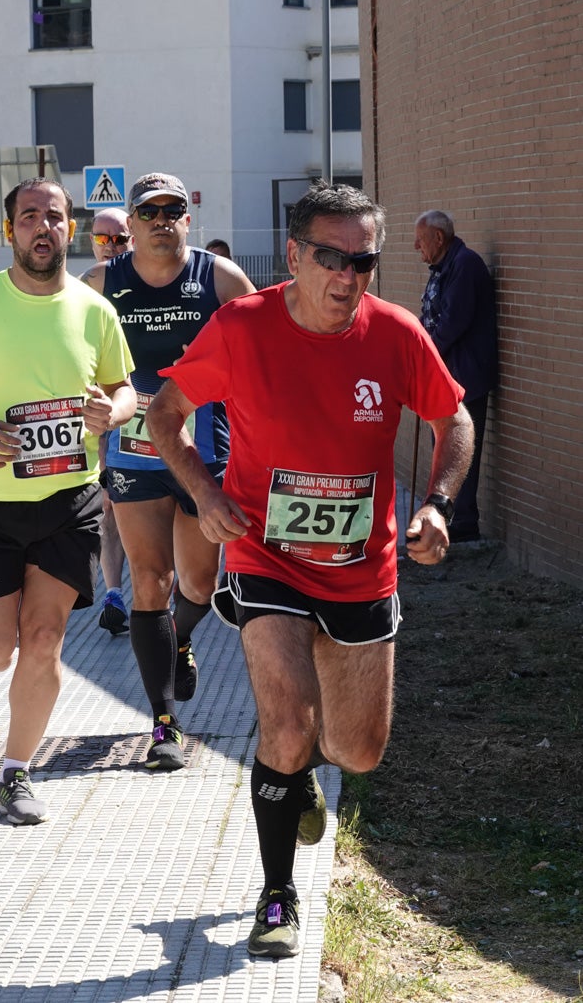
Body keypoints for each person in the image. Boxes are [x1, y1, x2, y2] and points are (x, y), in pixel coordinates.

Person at [145, 181, 474, 958]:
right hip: (267, 556)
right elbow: (164, 416)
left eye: (363, 260)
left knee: (356, 752)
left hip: (363, 568)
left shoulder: (393, 335)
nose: (348, 275)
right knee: (286, 728)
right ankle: (275, 896)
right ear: (292, 256)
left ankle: (295, 779)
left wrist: (438, 504)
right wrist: (202, 490)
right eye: (330, 257)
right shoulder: (242, 328)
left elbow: (450, 417)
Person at [0, 178, 136, 825]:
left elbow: (124, 390)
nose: (43, 227)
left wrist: (109, 412)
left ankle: (15, 771)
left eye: (55, 216)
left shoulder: (96, 311)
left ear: (72, 228)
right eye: (29, 216)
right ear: (9, 230)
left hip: (69, 498)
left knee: (43, 639)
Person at [82, 172, 255, 771]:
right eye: (148, 210)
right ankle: (163, 725)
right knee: (148, 582)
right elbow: (71, 356)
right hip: (133, 454)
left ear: (188, 218)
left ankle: (179, 637)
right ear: (128, 223)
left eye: (172, 209)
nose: (161, 219)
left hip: (203, 452)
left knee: (199, 584)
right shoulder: (102, 283)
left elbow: (264, 357)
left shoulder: (220, 278)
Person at [415, 210, 498, 542]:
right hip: (448, 374)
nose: (415, 247)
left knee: (458, 448)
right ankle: (448, 516)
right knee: (443, 447)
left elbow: (451, 323)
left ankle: (464, 523)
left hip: (465, 376)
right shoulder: (444, 267)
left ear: (438, 238)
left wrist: (425, 356)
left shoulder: (464, 266)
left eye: (420, 241)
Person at [87, 208, 134, 637]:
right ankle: (115, 596)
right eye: (104, 240)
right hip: (111, 420)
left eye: (119, 239)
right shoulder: (89, 288)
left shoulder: (153, 278)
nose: (112, 247)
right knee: (110, 509)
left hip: (164, 416)